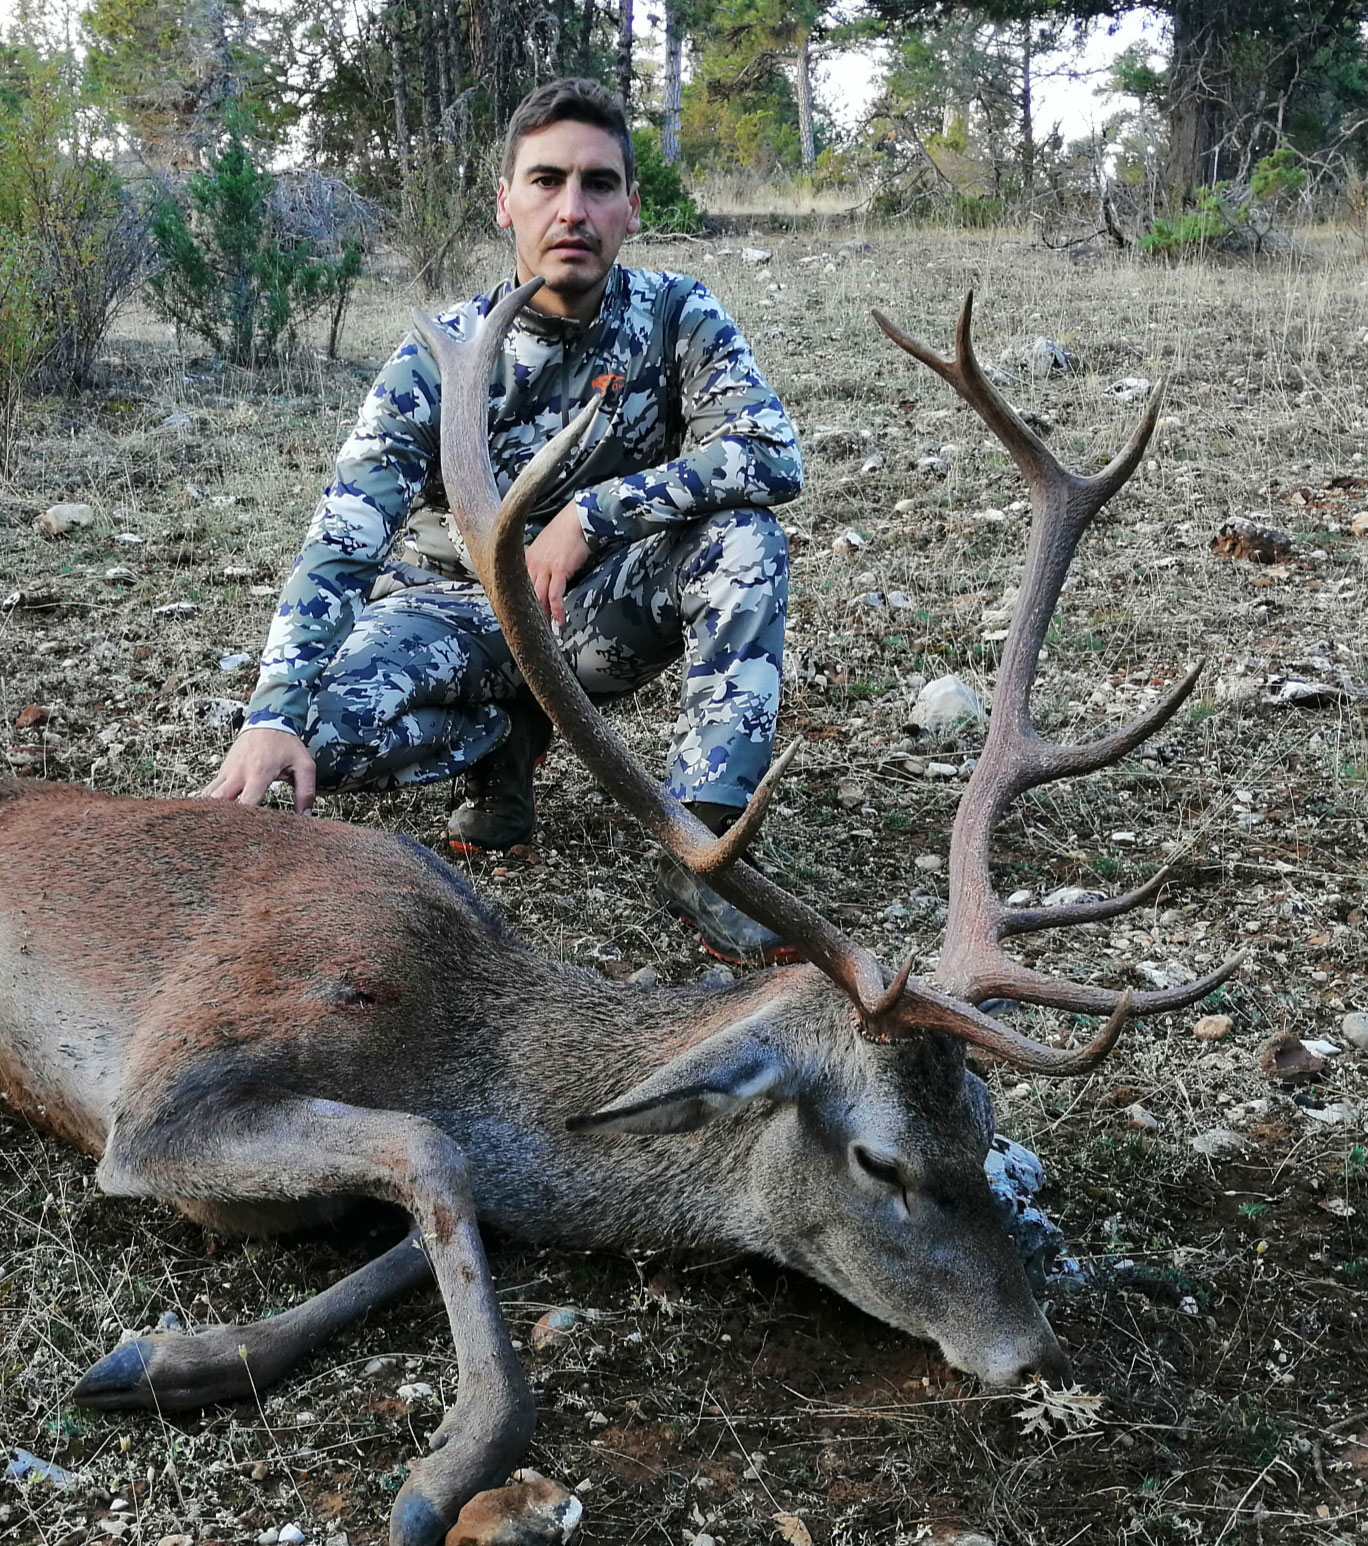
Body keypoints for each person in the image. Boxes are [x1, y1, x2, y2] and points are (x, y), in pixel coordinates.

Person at [203, 77, 802, 962]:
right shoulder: (438, 355)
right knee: (313, 739)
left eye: (599, 184)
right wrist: (272, 711)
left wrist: (597, 514)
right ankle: (499, 743)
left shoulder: (678, 314)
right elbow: (342, 539)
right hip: (451, 610)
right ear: (505, 204)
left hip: (593, 614)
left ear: (632, 207)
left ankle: (704, 847)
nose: (572, 208)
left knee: (744, 540)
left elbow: (770, 452)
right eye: (546, 181)